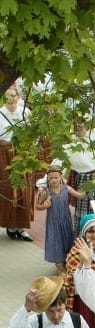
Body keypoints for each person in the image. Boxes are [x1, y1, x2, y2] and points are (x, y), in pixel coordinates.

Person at [34, 160, 86, 273]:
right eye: (50, 178)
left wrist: (87, 186)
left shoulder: (66, 189)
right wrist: (45, 205)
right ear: (47, 178)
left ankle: (66, 266)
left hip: (66, 222)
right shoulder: (46, 192)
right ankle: (62, 270)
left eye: (56, 177)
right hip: (53, 224)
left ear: (61, 177)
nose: (53, 180)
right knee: (56, 243)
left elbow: (80, 196)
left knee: (67, 242)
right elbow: (37, 206)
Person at [0, 83, 34, 241]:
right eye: (7, 97)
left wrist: (29, 149)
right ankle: (11, 226)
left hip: (23, 155)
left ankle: (22, 228)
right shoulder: (0, 114)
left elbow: (35, 134)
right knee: (8, 189)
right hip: (4, 156)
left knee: (24, 189)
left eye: (13, 96)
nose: (10, 100)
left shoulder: (26, 113)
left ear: (18, 97)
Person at [64, 121, 95, 226]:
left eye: (82, 127)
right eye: (77, 128)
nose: (80, 130)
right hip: (82, 178)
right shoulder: (72, 143)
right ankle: (82, 237)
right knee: (82, 213)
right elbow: (60, 159)